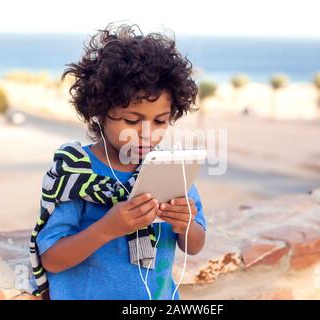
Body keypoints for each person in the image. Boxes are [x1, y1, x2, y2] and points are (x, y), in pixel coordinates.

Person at [34, 23, 207, 300]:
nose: (147, 133)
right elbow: (52, 259)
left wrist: (185, 224)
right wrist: (107, 228)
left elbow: (195, 244)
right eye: (132, 120)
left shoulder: (169, 170)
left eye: (160, 121)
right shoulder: (76, 172)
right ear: (99, 112)